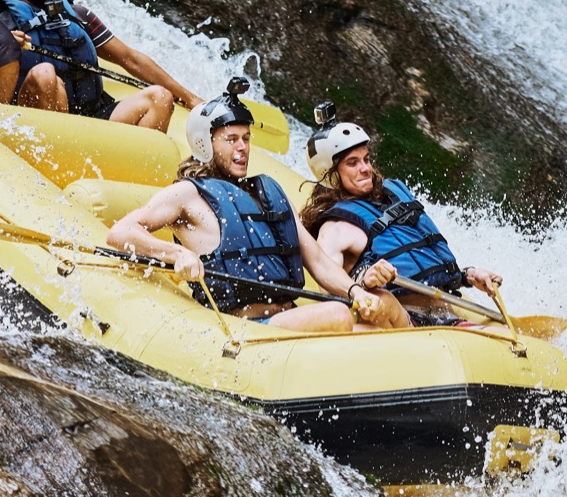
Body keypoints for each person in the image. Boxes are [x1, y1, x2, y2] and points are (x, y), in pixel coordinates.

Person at [106, 84, 410, 332]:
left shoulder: (269, 192)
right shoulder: (186, 194)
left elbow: (317, 262)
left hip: (288, 317)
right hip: (246, 326)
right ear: (205, 143)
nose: (242, 147)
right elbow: (121, 232)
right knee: (338, 316)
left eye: (247, 139)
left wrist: (355, 291)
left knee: (381, 305)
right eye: (232, 139)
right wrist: (176, 254)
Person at [300, 112, 501, 323]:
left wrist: (467, 276)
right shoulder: (335, 230)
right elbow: (330, 297)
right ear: (330, 173)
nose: (366, 168)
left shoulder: (392, 195)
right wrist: (363, 280)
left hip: (447, 311)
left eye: (366, 159)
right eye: (353, 163)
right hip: (406, 320)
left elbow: (423, 263)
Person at [0, 0, 200, 132]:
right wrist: (4, 45)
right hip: (42, 127)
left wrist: (191, 99)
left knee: (160, 97)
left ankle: (131, 169)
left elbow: (131, 59)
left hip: (93, 117)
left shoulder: (77, 15)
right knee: (44, 74)